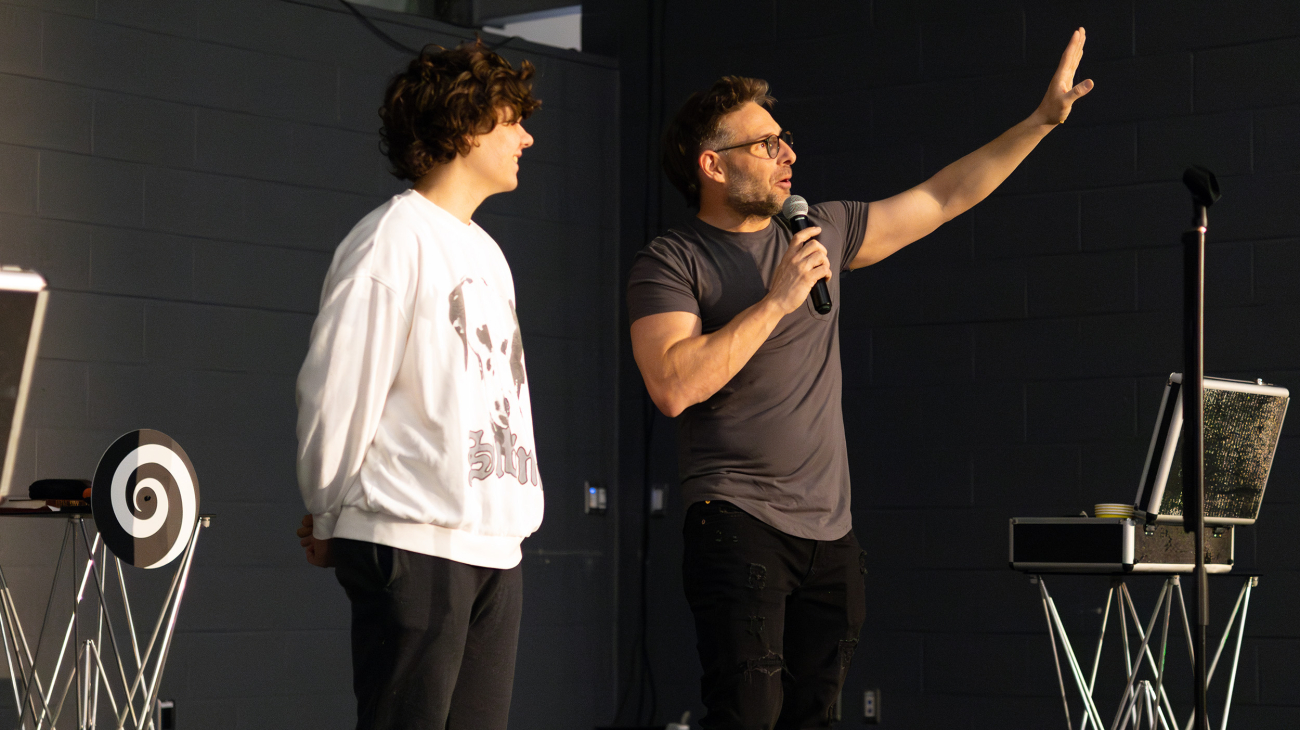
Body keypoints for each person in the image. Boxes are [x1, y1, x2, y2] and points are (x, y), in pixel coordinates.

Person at [627, 29, 1093, 730]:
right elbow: (671, 385)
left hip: (831, 536)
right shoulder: (672, 260)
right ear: (712, 166)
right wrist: (777, 301)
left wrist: (1040, 123)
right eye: (765, 144)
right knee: (747, 715)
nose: (787, 154)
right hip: (737, 522)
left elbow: (942, 197)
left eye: (785, 139)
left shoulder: (821, 229)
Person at [294, 40, 545, 730]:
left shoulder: (488, 253)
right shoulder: (392, 240)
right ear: (464, 127)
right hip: (415, 542)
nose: (526, 137)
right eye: (511, 121)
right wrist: (329, 511)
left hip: (495, 549)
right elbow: (338, 392)